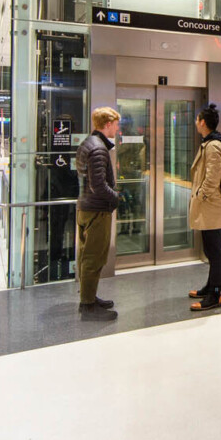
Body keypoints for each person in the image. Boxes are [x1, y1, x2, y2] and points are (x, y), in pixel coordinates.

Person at [75, 107, 121, 320]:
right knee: (94, 257)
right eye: (116, 124)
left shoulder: (87, 144)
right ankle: (87, 306)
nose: (118, 128)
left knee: (87, 256)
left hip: (86, 208)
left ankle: (90, 297)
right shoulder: (99, 148)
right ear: (108, 123)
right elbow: (99, 186)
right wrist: (117, 198)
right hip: (96, 210)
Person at [188, 103, 221, 311]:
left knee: (214, 251)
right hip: (210, 205)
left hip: (211, 205)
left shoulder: (213, 145)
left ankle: (215, 294)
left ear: (202, 122)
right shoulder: (210, 143)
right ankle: (210, 286)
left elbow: (213, 177)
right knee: (210, 248)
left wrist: (201, 194)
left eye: (197, 119)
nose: (196, 122)